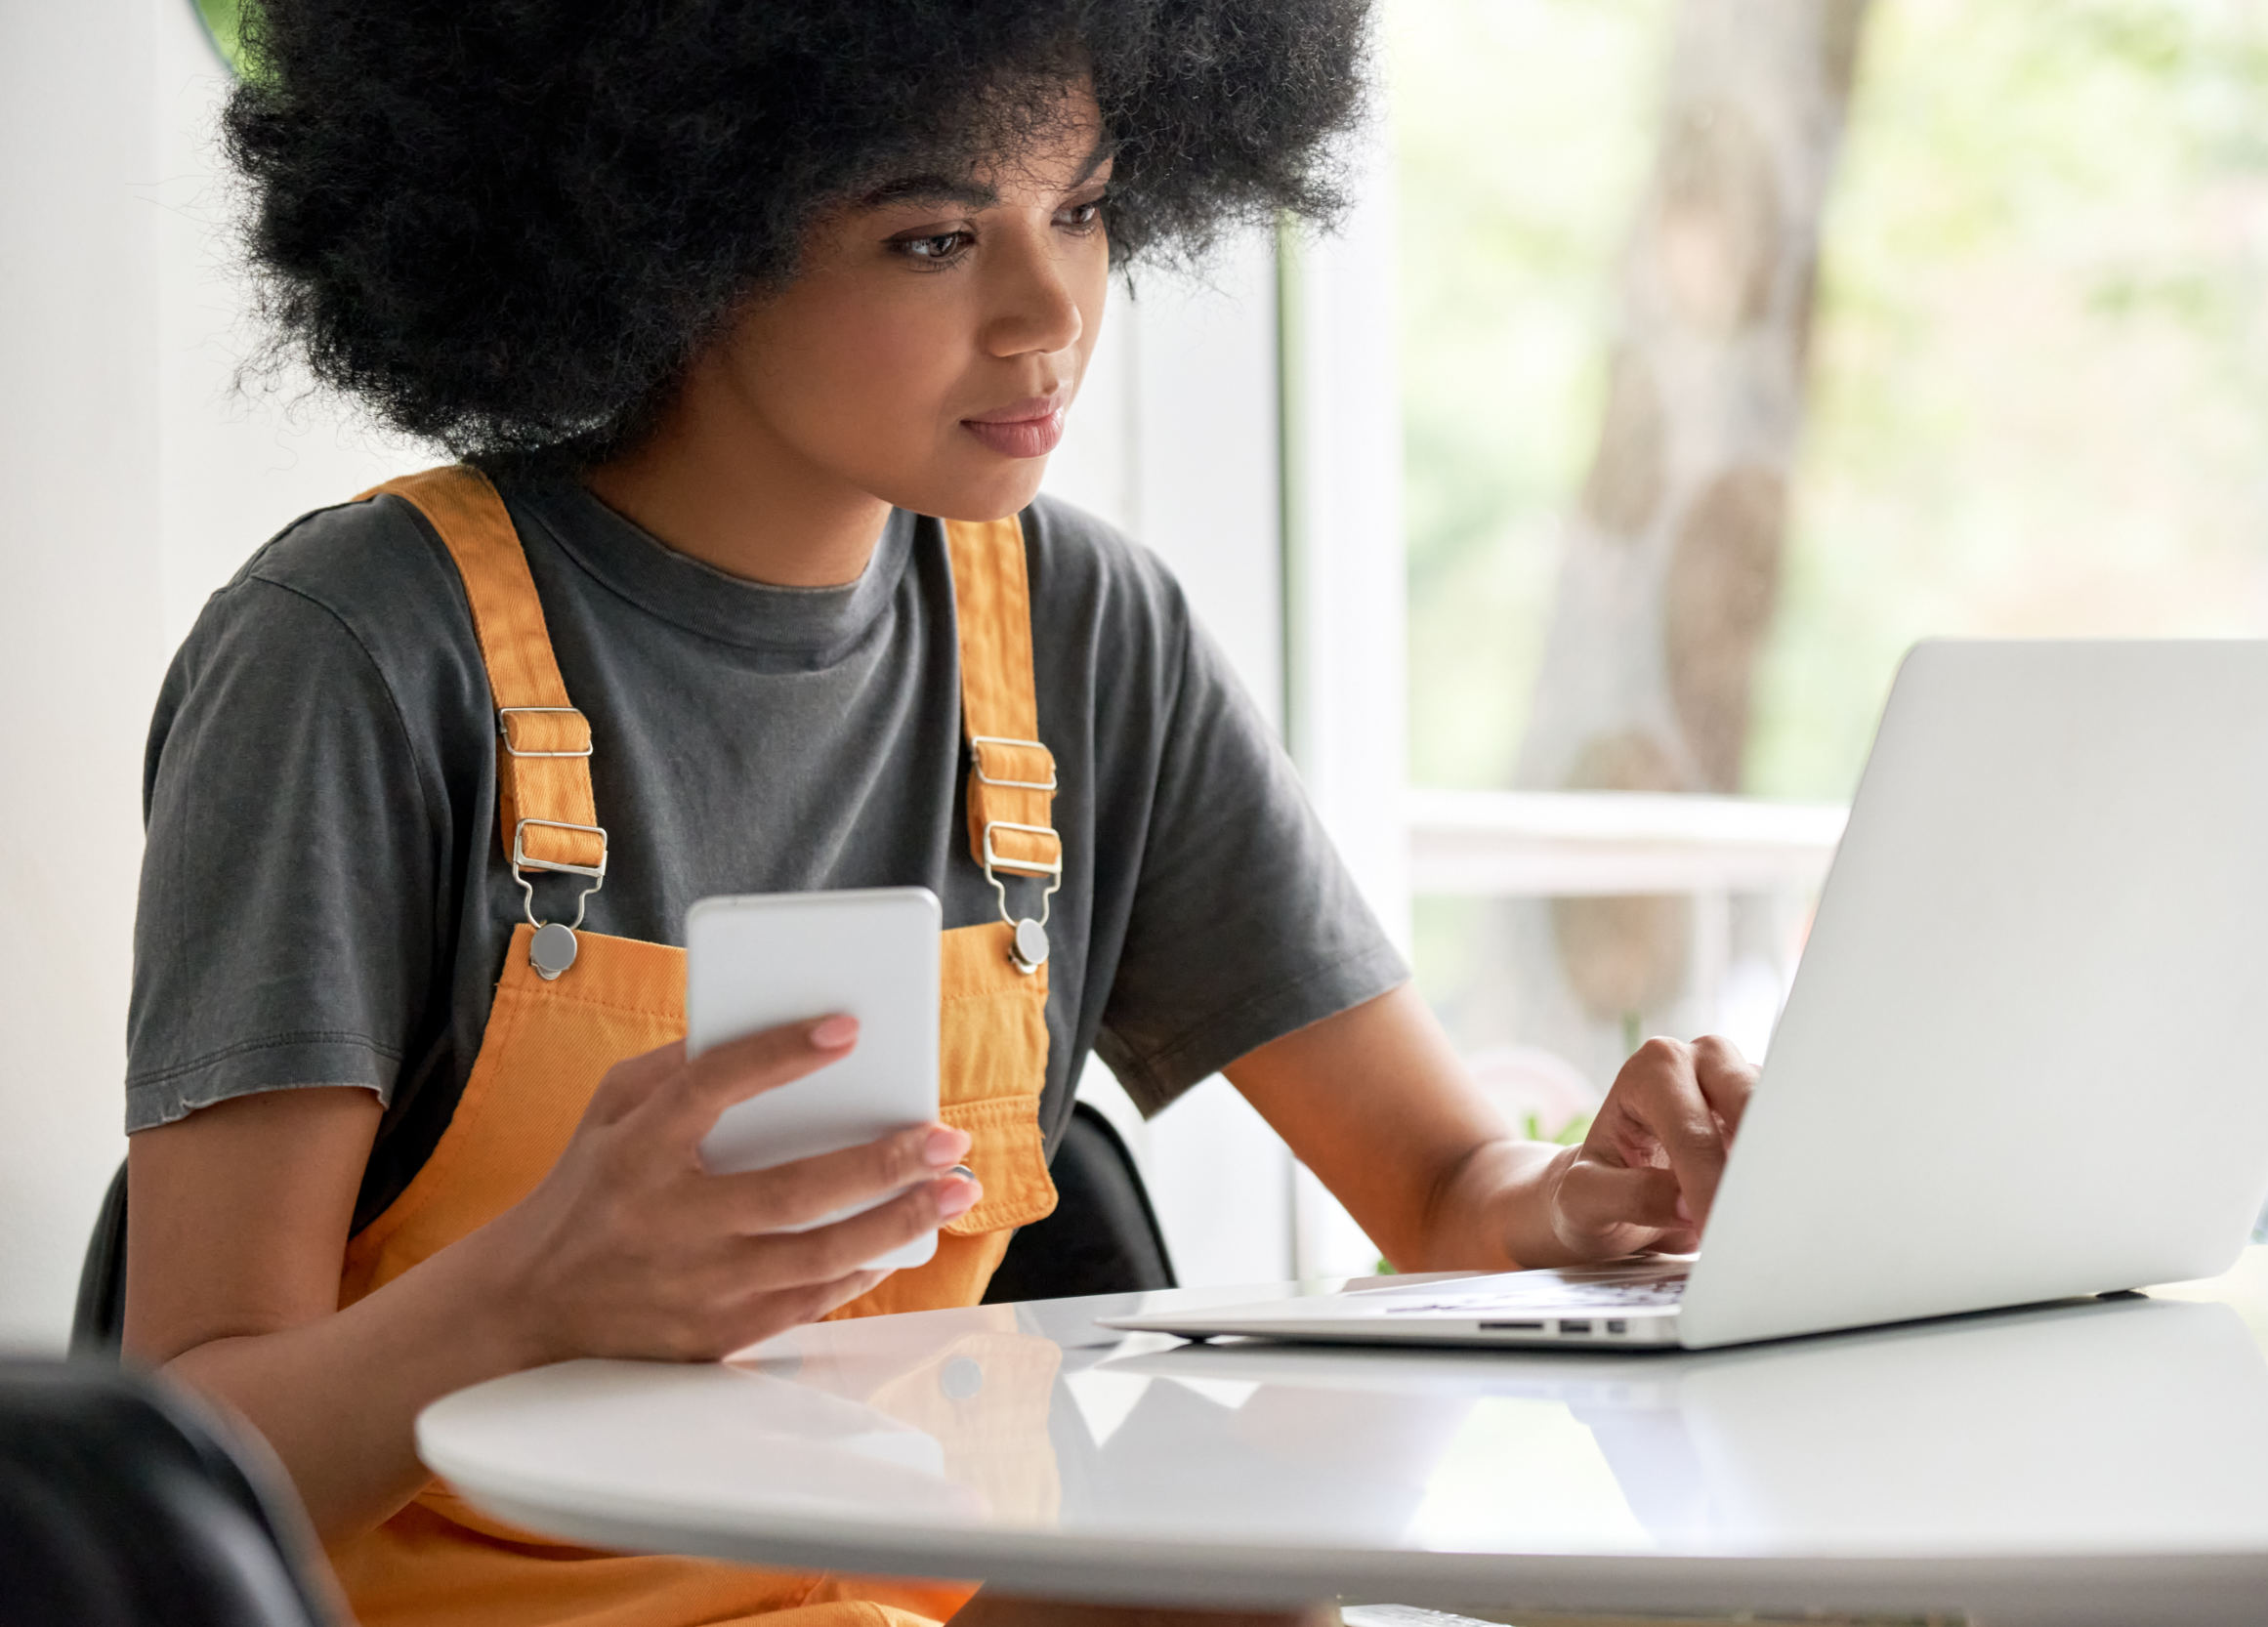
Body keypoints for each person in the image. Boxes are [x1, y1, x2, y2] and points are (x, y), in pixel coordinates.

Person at [118, 3, 1758, 1624]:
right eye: (930, 239)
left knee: (1244, 1589)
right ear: (677, 232)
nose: (1050, 311)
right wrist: (529, 1294)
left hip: (904, 1603)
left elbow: (1451, 1191)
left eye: (1087, 206)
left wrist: (1593, 1199)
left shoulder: (1081, 631)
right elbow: (175, 1458)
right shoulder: (352, 656)